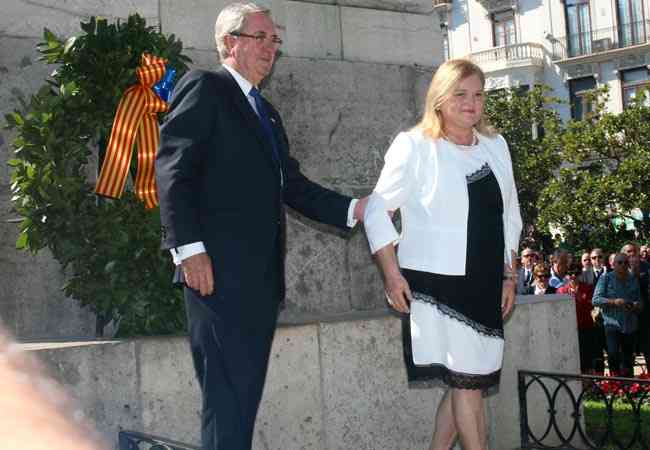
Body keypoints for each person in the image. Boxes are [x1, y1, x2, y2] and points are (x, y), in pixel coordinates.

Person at [155, 4, 367, 449]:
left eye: (275, 40)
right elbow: (174, 169)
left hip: (259, 284)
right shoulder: (205, 87)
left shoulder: (265, 112)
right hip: (216, 278)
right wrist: (189, 249)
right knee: (226, 402)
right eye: (261, 37)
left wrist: (354, 209)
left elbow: (293, 185)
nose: (271, 48)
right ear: (230, 42)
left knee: (241, 400)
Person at [363, 59, 522, 450]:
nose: (471, 103)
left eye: (478, 95)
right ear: (439, 97)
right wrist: (391, 274)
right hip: (439, 285)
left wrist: (509, 275)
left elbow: (511, 215)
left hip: (485, 281)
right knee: (468, 384)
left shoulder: (496, 145)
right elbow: (376, 209)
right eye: (461, 94)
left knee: (468, 379)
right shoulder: (415, 145)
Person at [593, 253, 642, 376]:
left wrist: (636, 305)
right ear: (613, 264)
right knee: (613, 354)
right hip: (612, 324)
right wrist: (614, 302)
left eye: (625, 262)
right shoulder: (605, 278)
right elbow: (596, 300)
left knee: (628, 359)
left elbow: (640, 301)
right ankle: (615, 382)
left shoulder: (633, 279)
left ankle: (629, 384)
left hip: (630, 324)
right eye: (620, 262)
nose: (623, 265)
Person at [557, 263, 598, 373]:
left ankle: (588, 380)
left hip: (585, 327)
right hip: (569, 329)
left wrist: (579, 295)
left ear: (580, 274)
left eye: (576, 273)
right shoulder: (561, 291)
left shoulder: (588, 288)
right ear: (566, 275)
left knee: (586, 359)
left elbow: (591, 306)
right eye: (570, 273)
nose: (573, 276)